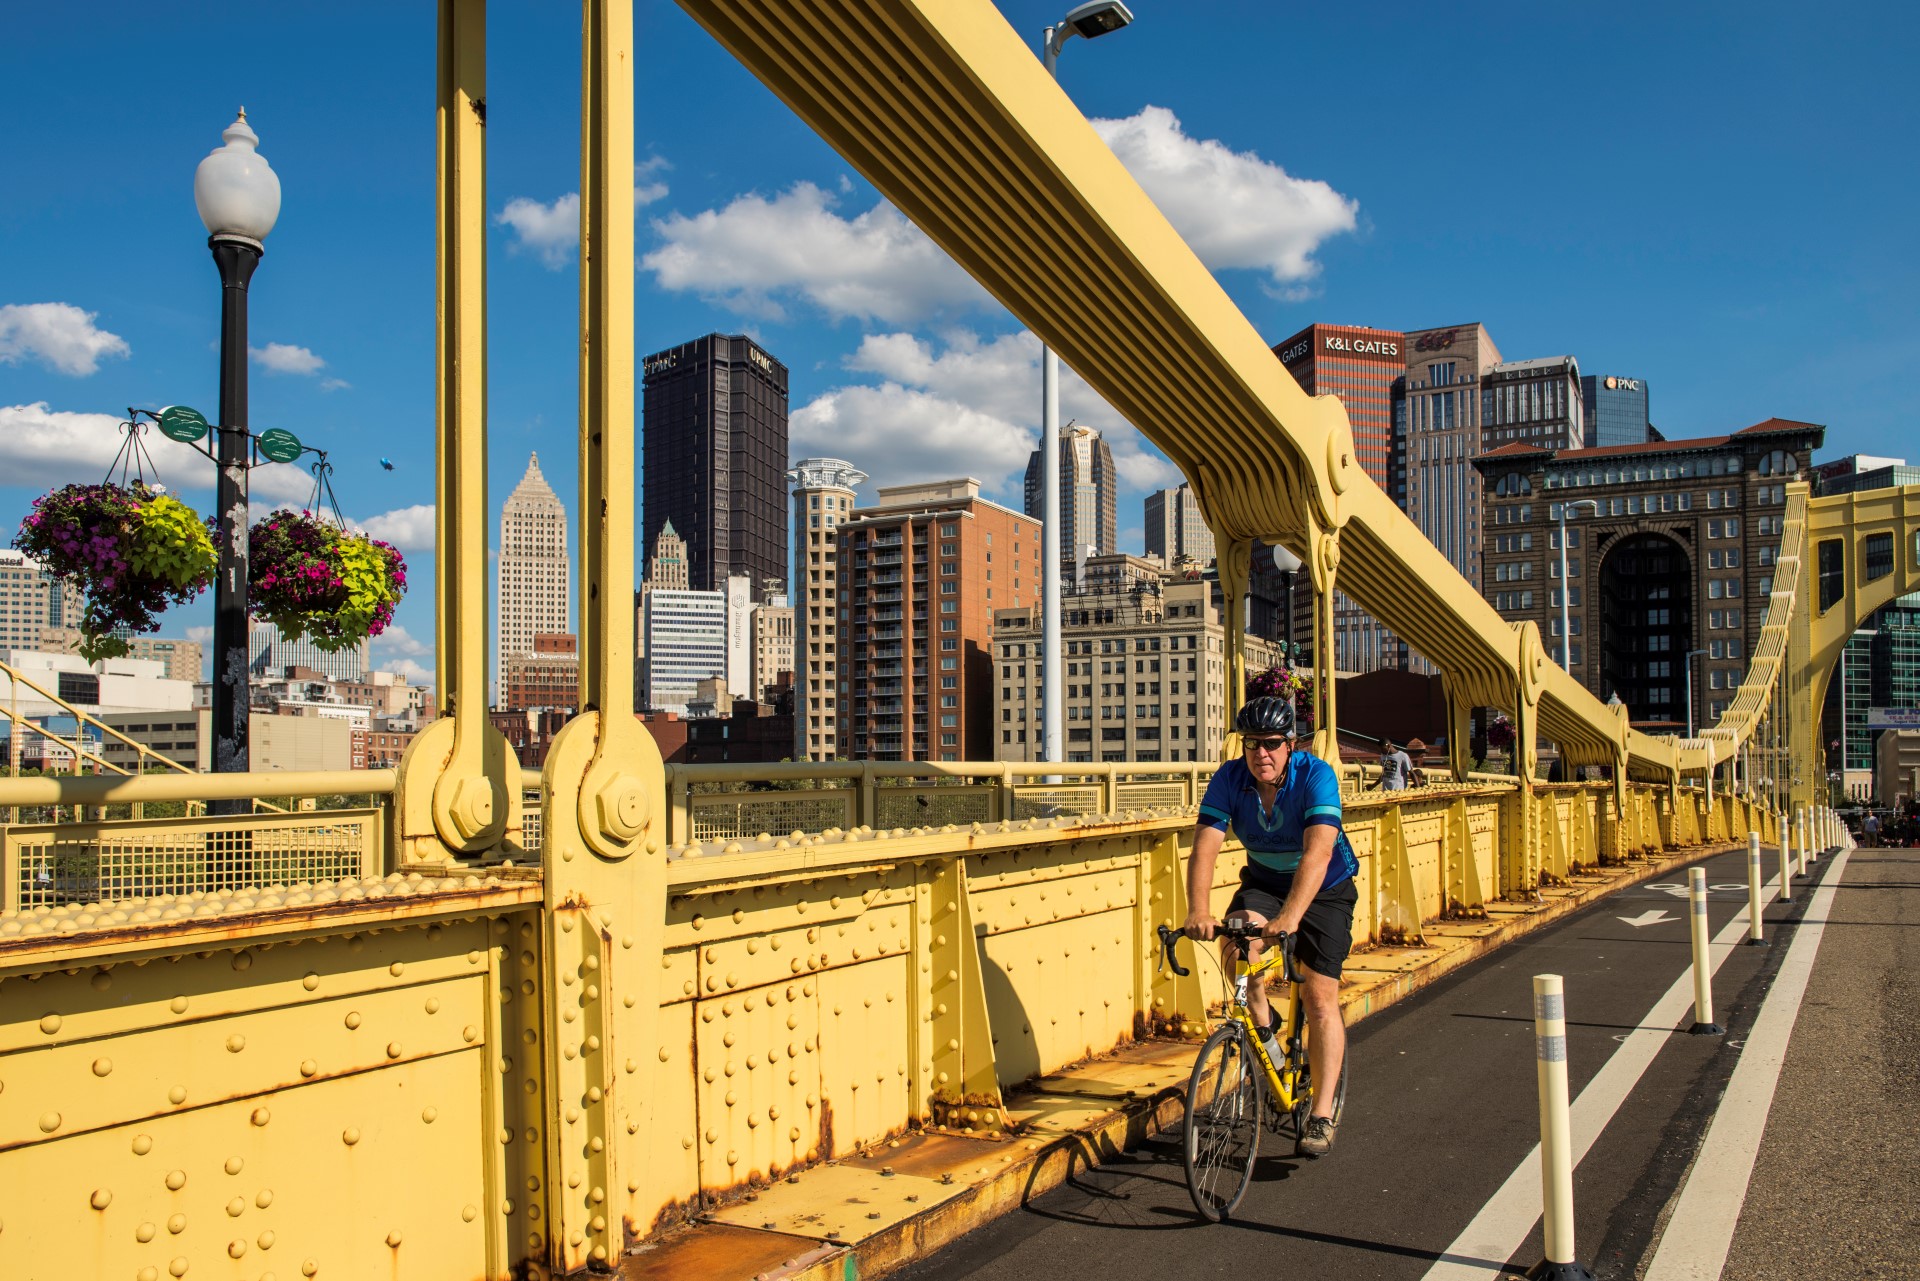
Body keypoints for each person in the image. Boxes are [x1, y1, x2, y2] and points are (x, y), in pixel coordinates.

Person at [1183, 695, 1359, 1158]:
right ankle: (1265, 1026)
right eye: (1253, 743)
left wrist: (1290, 919)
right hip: (1264, 881)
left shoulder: (1316, 775)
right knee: (1238, 947)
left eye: (1273, 744)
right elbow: (1205, 847)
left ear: (1291, 745)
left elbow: (1319, 853)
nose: (1262, 753)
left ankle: (1321, 1114)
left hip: (1325, 888)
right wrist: (1198, 910)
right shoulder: (1231, 778)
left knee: (1320, 996)